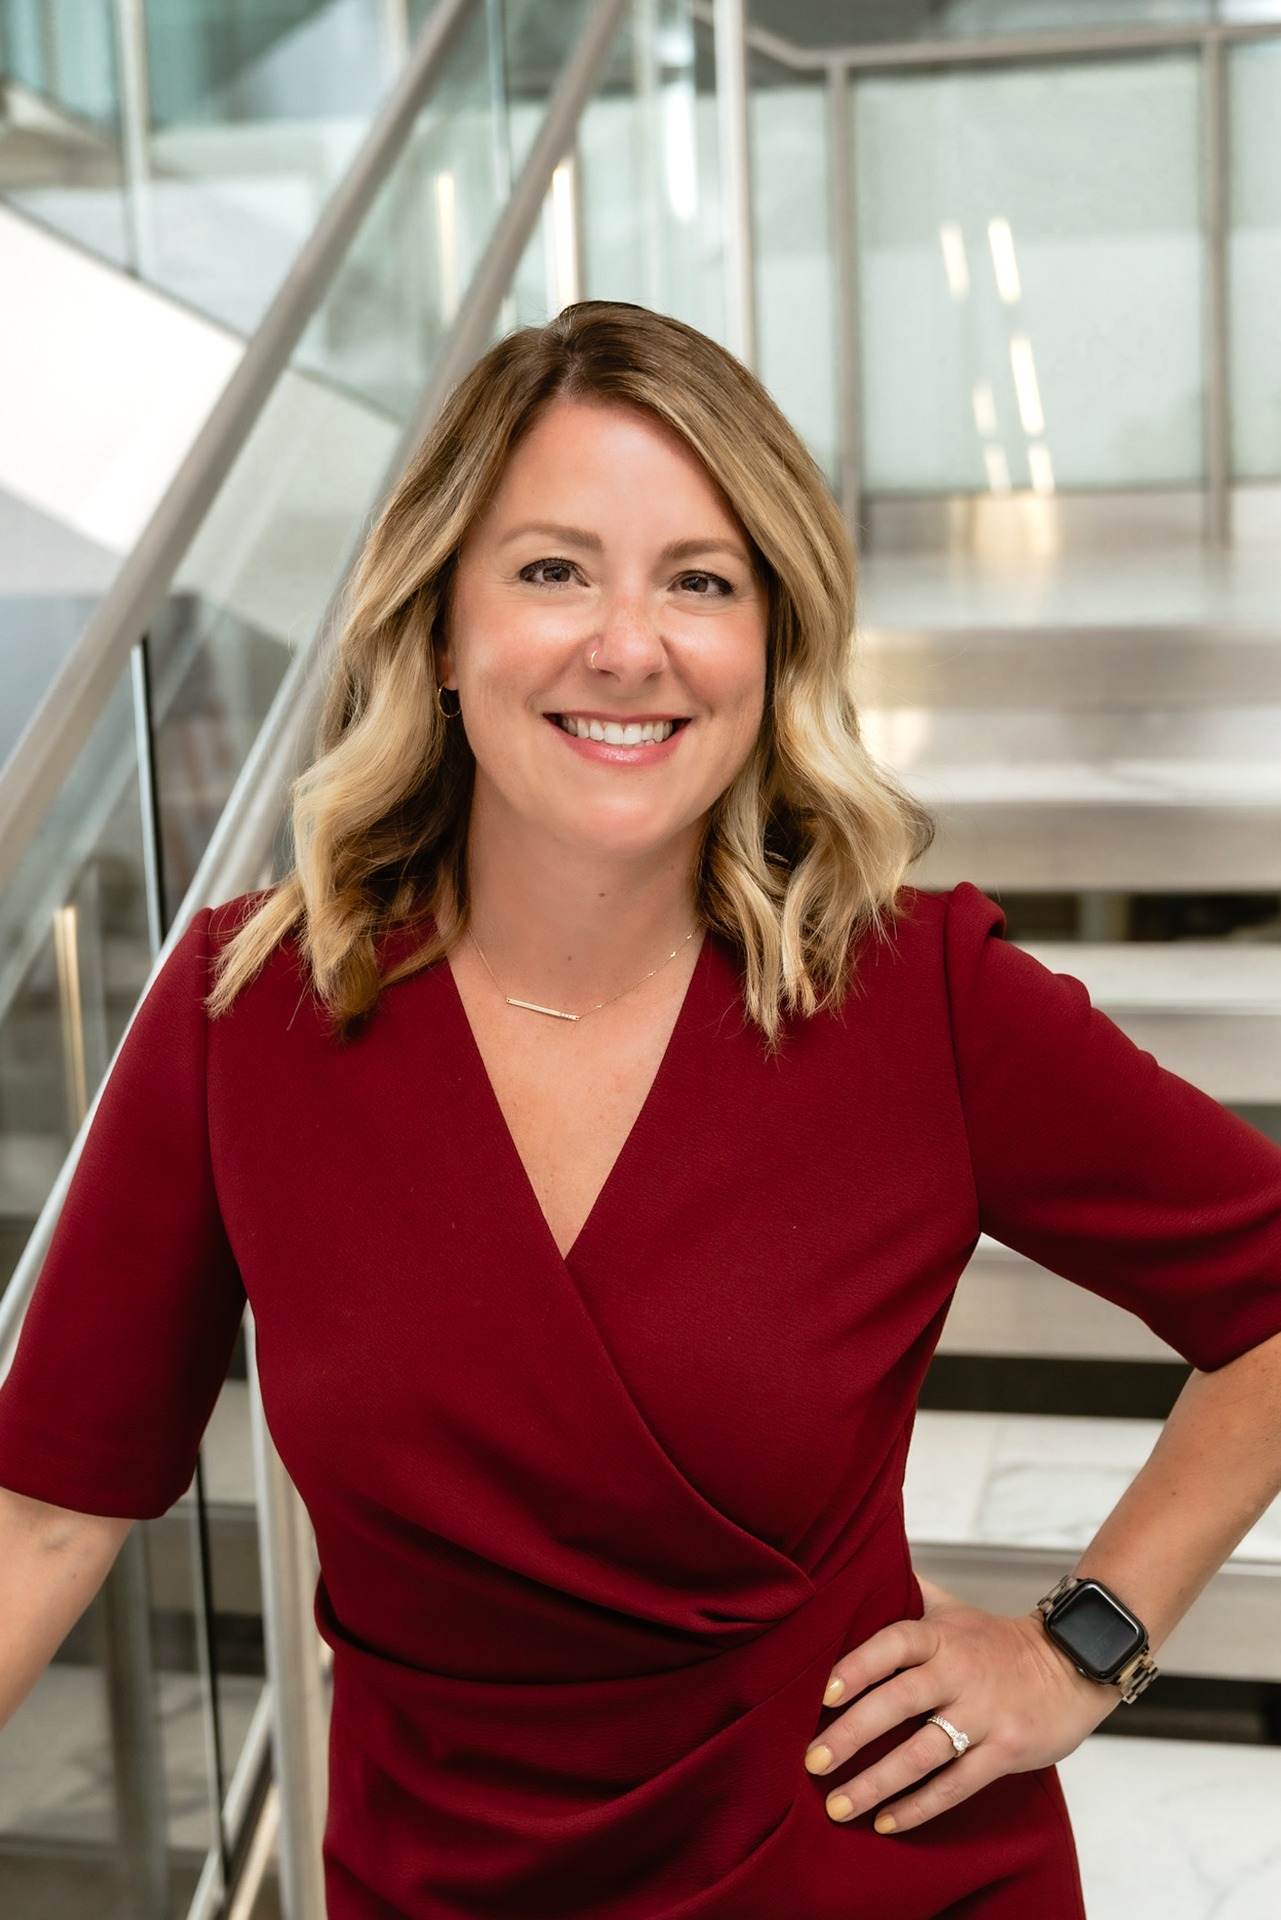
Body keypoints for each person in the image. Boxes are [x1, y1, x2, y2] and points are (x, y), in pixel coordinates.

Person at [1, 301, 1280, 1920]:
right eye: (552, 570)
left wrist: (1081, 1647)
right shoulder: (239, 1014)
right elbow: (48, 1513)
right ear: (439, 626)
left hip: (859, 1878)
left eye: (699, 580)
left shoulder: (913, 994)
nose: (629, 643)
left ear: (771, 641)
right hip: (434, 1887)